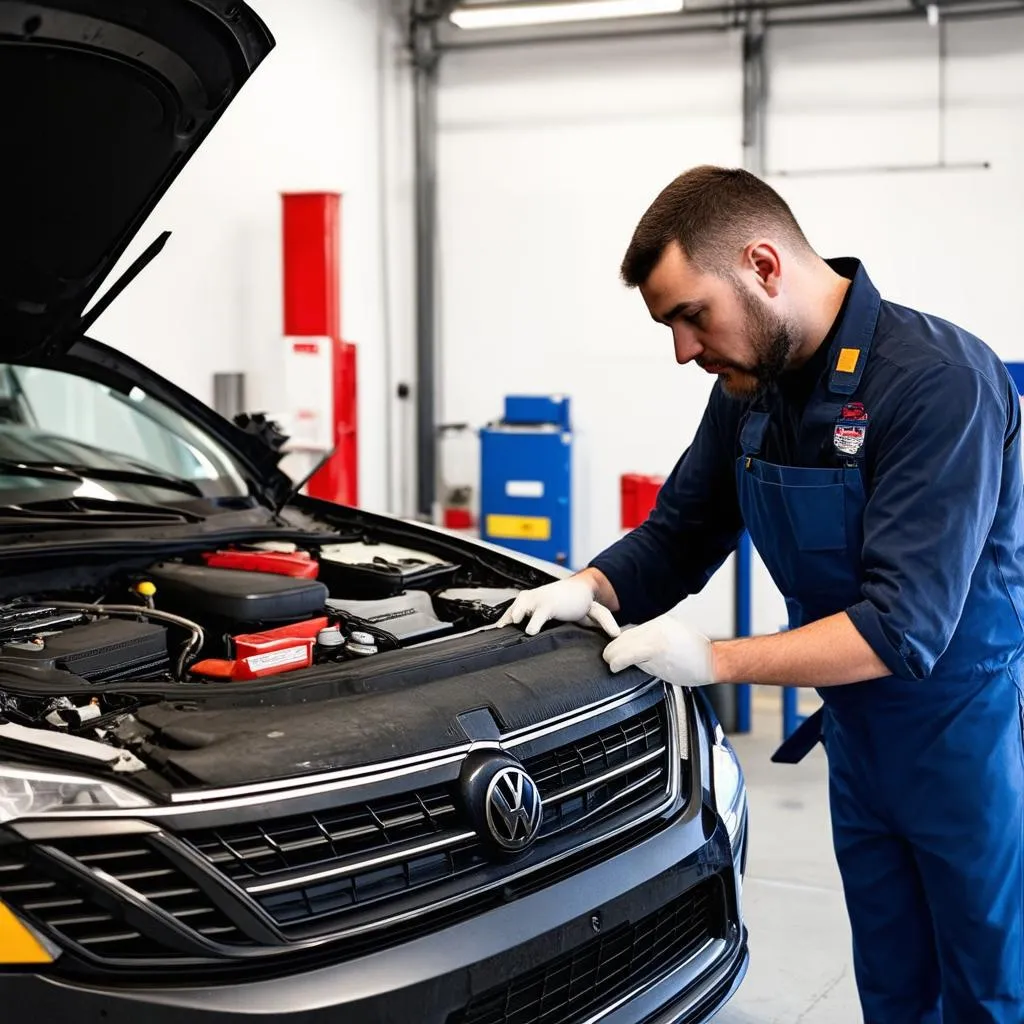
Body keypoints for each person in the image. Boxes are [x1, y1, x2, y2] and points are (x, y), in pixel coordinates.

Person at [498, 165, 1024, 1022]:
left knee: (988, 990)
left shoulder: (936, 383)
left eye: (690, 315)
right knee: (894, 987)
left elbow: (903, 627)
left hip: (967, 742)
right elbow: (682, 533)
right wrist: (586, 585)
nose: (682, 349)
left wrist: (714, 659)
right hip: (859, 740)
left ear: (763, 266)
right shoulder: (751, 394)